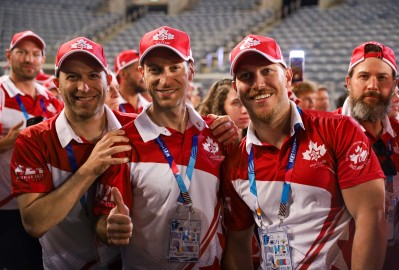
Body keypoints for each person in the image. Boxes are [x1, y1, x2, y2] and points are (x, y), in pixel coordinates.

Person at [221, 34, 387, 270]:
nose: (258, 83)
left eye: (267, 71)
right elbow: (238, 244)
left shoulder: (338, 130)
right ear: (235, 88)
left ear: (288, 76)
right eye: (246, 76)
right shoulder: (235, 161)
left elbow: (371, 216)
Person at [94, 25, 237, 269]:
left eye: (175, 68)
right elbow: (103, 220)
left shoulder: (215, 133)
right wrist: (109, 228)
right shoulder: (123, 142)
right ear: (142, 74)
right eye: (155, 70)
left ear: (190, 71)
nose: (165, 79)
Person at [10, 36, 136, 269]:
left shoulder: (137, 129)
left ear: (108, 81)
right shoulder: (33, 140)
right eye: (72, 77)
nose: (83, 87)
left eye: (93, 75)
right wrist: (89, 169)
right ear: (57, 84)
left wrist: (221, 128)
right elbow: (35, 224)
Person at [336, 41, 399, 269]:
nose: (372, 86)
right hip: (337, 260)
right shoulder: (323, 131)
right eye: (363, 76)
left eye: (382, 78)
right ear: (348, 82)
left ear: (394, 85)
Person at [0, 30, 63, 270]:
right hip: (6, 209)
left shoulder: (50, 98)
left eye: (36, 54)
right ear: (9, 56)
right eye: (22, 52)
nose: (29, 59)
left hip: (44, 205)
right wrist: (7, 143)